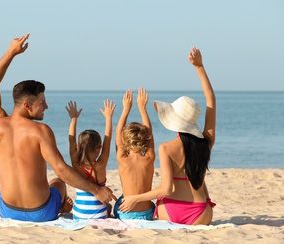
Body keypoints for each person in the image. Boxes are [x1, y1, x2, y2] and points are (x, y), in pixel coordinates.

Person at [0, 33, 116, 222]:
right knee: (58, 183)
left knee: (0, 173)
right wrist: (96, 190)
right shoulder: (41, 131)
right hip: (41, 212)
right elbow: (61, 169)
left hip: (8, 211)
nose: (46, 106)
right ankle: (61, 205)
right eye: (42, 102)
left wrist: (11, 52)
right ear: (27, 106)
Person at [118, 47, 216, 225]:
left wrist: (135, 198)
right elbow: (211, 101)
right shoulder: (206, 142)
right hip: (200, 213)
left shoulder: (166, 148)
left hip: (172, 212)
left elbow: (166, 189)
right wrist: (200, 67)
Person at [66, 99, 116, 219]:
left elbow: (71, 140)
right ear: (99, 148)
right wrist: (108, 118)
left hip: (79, 215)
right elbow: (108, 141)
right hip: (99, 216)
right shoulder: (101, 165)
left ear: (79, 147)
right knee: (108, 207)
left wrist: (73, 119)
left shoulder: (76, 164)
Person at [113, 88, 156, 220]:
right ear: (146, 140)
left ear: (124, 140)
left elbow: (118, 135)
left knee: (121, 199)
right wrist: (142, 108)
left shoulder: (122, 158)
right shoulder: (149, 157)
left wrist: (126, 109)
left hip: (125, 214)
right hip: (147, 214)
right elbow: (150, 134)